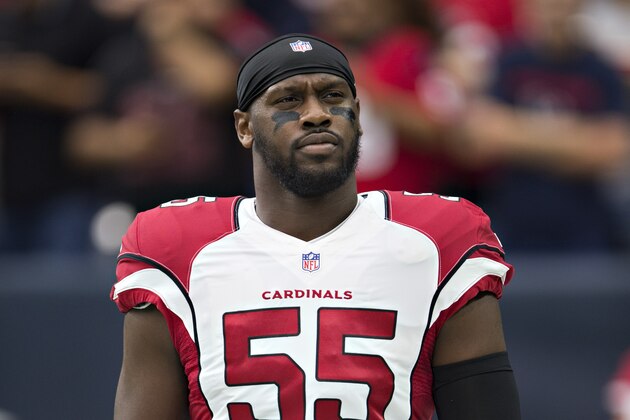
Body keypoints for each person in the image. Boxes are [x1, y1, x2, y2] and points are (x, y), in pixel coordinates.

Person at [110, 33, 520, 419]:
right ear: (244, 127)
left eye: (332, 96)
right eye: (288, 99)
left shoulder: (438, 240)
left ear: (358, 117)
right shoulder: (174, 247)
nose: (316, 114)